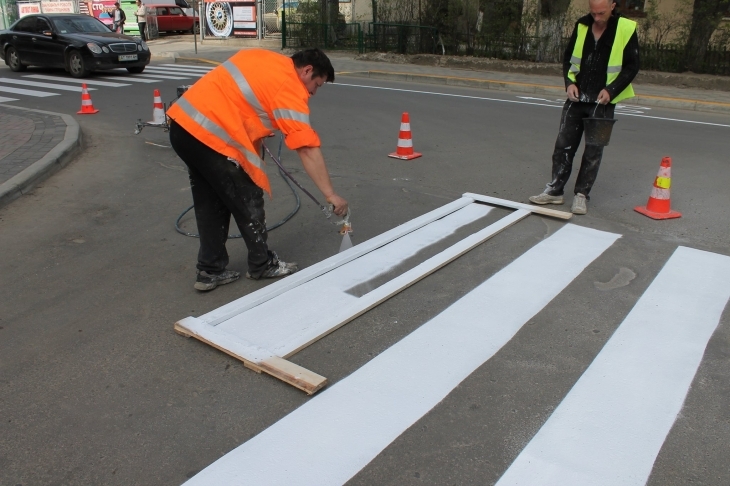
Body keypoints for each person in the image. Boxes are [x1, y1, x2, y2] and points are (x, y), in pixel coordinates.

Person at [167, 48, 349, 291]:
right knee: (248, 199)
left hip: (183, 127)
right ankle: (261, 264)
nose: (313, 92)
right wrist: (331, 194)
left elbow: (241, 97)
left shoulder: (263, 57)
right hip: (213, 137)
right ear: (306, 71)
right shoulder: (290, 88)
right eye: (317, 84)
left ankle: (210, 270)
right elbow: (306, 149)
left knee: (210, 202)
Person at [528, 0, 639, 215]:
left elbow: (632, 66)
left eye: (601, 13)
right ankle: (555, 191)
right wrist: (569, 83)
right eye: (593, 13)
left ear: (613, 5)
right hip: (577, 99)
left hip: (603, 102)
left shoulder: (626, 28)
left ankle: (581, 195)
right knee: (563, 146)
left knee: (593, 151)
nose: (596, 17)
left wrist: (612, 90)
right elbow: (569, 58)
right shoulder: (582, 26)